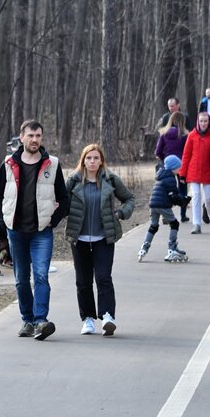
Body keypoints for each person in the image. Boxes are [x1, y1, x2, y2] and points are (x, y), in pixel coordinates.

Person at [0, 119, 70, 340]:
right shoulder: (8, 164)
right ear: (22, 137)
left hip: (41, 231)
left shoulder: (52, 164)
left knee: (41, 276)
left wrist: (52, 221)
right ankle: (27, 320)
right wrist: (3, 221)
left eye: (38, 136)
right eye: (31, 136)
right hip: (15, 231)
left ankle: (40, 320)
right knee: (21, 279)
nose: (35, 140)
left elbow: (64, 199)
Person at [64, 144, 135, 336]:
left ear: (101, 160)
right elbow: (62, 202)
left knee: (103, 278)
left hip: (103, 238)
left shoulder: (110, 180)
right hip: (79, 239)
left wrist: (121, 213)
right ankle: (88, 319)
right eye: (89, 158)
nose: (92, 161)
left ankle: (107, 317)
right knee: (83, 281)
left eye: (96, 158)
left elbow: (130, 199)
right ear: (83, 160)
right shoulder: (73, 180)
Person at [137, 154, 189, 263]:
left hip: (153, 205)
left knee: (153, 226)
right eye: (178, 168)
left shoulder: (161, 175)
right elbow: (173, 196)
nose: (179, 170)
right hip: (163, 206)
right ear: (173, 168)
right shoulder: (170, 178)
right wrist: (183, 201)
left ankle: (144, 248)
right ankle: (172, 248)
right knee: (174, 224)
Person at [179, 111, 210, 234]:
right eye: (201, 121)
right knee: (196, 196)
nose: (203, 123)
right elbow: (186, 155)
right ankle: (196, 224)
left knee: (209, 199)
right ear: (198, 122)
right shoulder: (192, 135)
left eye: (205, 121)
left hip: (209, 170)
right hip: (194, 170)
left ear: (209, 122)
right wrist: (182, 173)